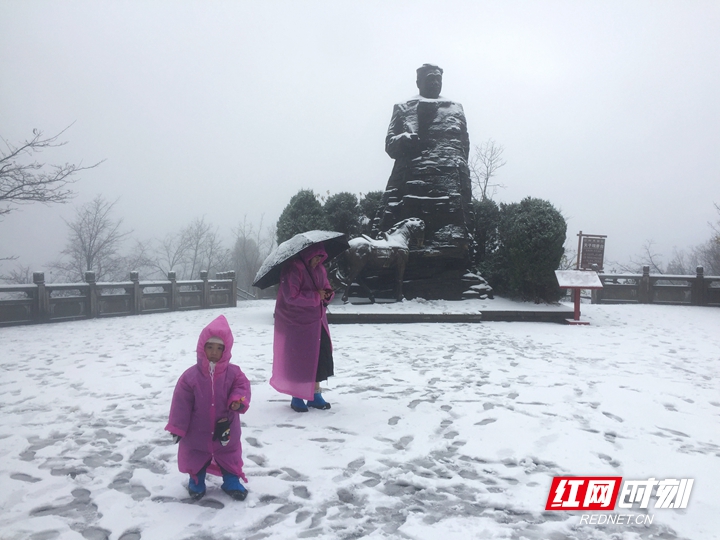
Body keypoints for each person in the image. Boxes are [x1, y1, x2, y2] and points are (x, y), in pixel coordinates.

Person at [376, 63, 473, 250]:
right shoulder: (404, 108)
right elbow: (390, 146)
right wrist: (404, 138)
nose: (436, 83)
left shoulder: (456, 109)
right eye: (431, 79)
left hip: (449, 187)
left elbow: (464, 146)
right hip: (411, 187)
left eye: (439, 79)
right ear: (418, 82)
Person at [166, 314, 251, 501]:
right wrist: (178, 427)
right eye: (210, 347)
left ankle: (231, 480)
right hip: (197, 430)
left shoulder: (234, 373)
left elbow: (242, 387)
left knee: (230, 454)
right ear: (201, 347)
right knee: (196, 455)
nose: (214, 352)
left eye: (219, 348)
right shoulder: (190, 377)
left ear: (226, 350)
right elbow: (181, 404)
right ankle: (196, 480)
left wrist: (238, 399)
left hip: (226, 428)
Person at [271, 242, 334, 412]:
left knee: (318, 358)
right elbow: (291, 296)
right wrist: (315, 296)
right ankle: (297, 396)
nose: (317, 261)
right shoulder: (293, 268)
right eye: (315, 257)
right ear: (308, 255)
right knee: (299, 359)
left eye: (320, 258)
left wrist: (328, 294)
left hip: (317, 322)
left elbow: (326, 287)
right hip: (297, 324)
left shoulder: (320, 269)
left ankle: (315, 394)